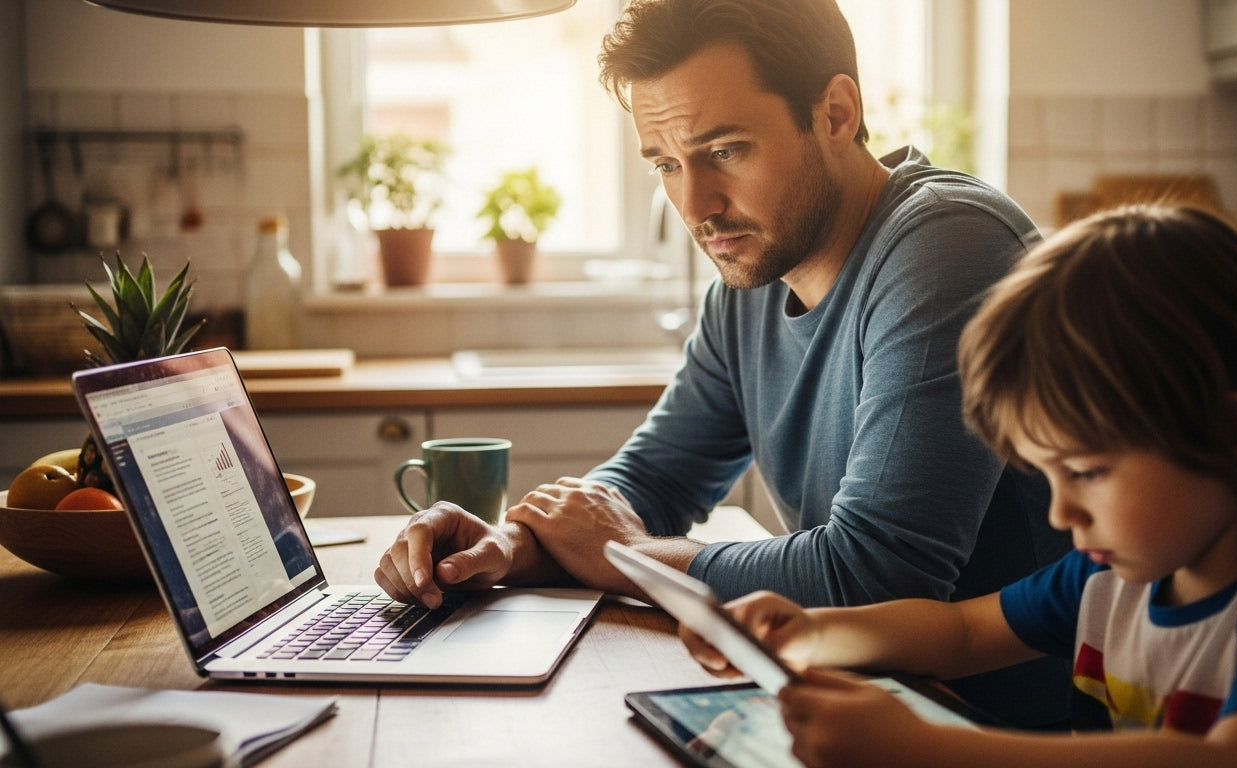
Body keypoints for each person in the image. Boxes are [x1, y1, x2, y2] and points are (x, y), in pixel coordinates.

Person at [374, 0, 1069, 727]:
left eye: (726, 151)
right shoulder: (753, 280)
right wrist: (505, 545)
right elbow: (653, 481)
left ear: (835, 114)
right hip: (857, 707)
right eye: (666, 164)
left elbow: (874, 574)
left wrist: (626, 554)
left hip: (1006, 732)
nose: (694, 205)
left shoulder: (948, 246)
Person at [680, 204, 1237, 768]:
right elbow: (962, 634)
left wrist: (929, 750)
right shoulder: (1111, 576)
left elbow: (1236, 761)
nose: (1063, 513)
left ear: (1232, 434)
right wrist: (813, 632)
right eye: (1048, 475)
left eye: (1086, 473)